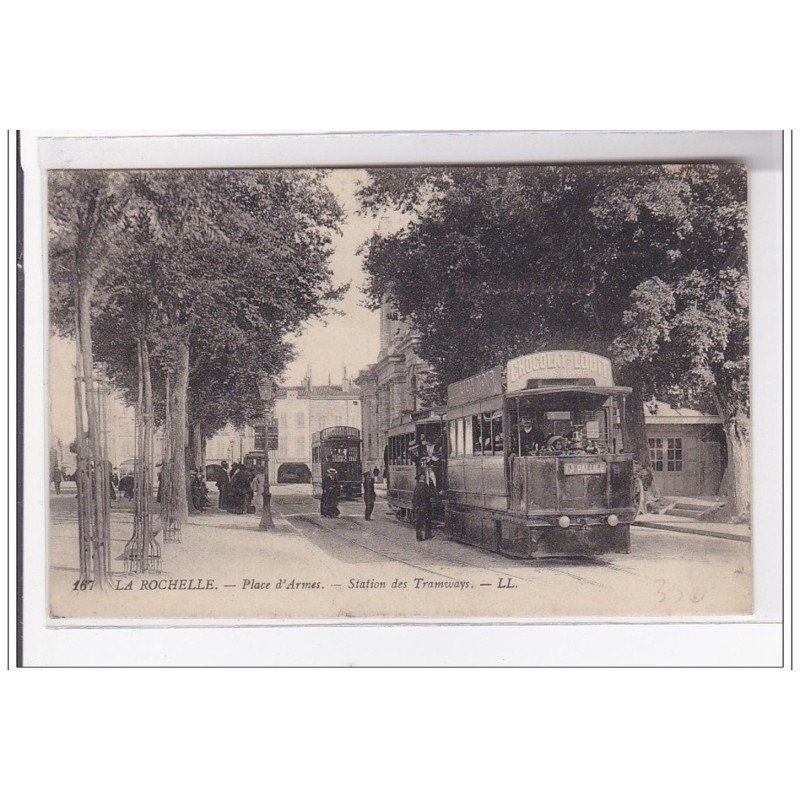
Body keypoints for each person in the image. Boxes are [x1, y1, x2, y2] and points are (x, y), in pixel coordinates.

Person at [412, 473, 433, 541]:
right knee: (427, 521)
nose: (424, 477)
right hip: (425, 506)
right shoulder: (425, 486)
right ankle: (427, 535)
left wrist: (415, 507)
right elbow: (428, 495)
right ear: (422, 478)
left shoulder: (417, 486)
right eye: (423, 476)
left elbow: (414, 498)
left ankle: (419, 537)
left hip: (418, 507)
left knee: (418, 522)